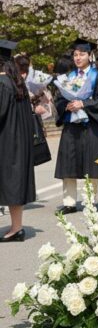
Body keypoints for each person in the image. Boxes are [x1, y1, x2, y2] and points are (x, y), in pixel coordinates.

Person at [53, 39, 98, 213]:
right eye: (75, 55)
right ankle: (69, 202)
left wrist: (83, 104)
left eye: (82, 54)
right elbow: (59, 98)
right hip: (71, 126)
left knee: (93, 162)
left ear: (89, 55)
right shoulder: (68, 77)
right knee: (68, 163)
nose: (78, 58)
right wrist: (67, 105)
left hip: (90, 126)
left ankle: (93, 200)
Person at [0, 41, 36, 241]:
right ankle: (17, 228)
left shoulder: (2, 84)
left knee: (9, 183)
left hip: (5, 142)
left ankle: (16, 229)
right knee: (13, 184)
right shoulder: (17, 83)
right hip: (17, 143)